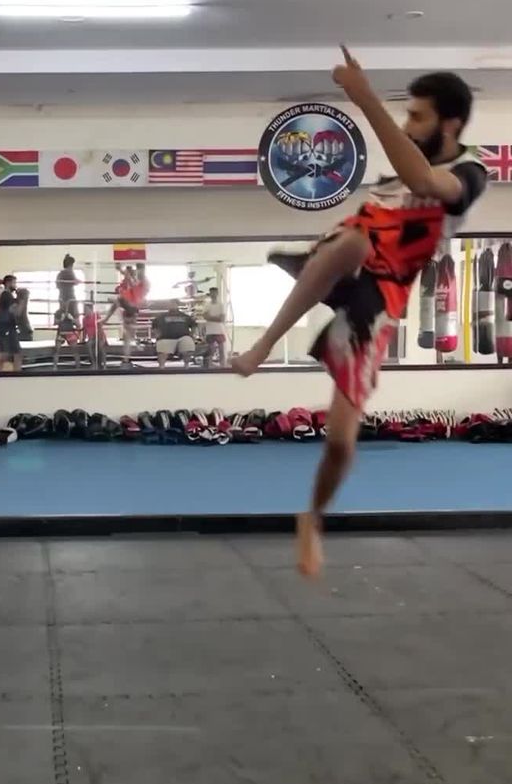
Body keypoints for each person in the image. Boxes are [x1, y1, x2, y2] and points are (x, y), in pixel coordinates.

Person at [231, 49, 488, 577]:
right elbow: (393, 195)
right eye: (406, 115)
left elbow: (427, 183)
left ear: (451, 123)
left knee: (341, 444)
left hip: (381, 298)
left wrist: (363, 96)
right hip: (349, 251)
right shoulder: (400, 168)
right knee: (353, 241)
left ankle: (312, 517)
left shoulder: (470, 170)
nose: (408, 125)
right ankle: (266, 340)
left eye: (418, 116)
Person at [153, 300, 197, 367]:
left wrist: (192, 335)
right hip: (166, 338)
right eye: (171, 304)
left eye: (174, 304)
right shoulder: (161, 317)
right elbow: (154, 326)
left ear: (177, 305)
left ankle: (186, 366)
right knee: (161, 350)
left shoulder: (185, 316)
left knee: (188, 345)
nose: (172, 305)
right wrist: (157, 334)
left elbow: (194, 325)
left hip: (183, 337)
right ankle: (161, 367)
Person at [0, 274, 22, 372]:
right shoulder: (6, 295)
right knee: (6, 354)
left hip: (8, 327)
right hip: (6, 328)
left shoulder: (8, 295)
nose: (15, 285)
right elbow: (15, 311)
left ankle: (16, 374)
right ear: (8, 283)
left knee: (15, 353)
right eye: (14, 283)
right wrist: (22, 300)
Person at [202, 286, 228, 367]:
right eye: (211, 293)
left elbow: (222, 319)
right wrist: (216, 318)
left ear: (217, 293)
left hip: (219, 330)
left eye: (214, 292)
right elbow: (205, 316)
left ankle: (222, 364)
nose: (213, 294)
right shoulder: (207, 305)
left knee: (221, 349)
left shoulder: (221, 305)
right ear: (210, 294)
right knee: (210, 349)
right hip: (210, 330)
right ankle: (209, 364)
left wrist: (211, 317)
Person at [82, 301, 108, 368]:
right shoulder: (84, 319)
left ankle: (104, 364)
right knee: (89, 345)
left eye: (86, 309)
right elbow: (84, 330)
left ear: (90, 309)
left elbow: (100, 326)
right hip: (91, 338)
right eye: (84, 309)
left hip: (99, 335)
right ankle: (93, 363)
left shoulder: (96, 315)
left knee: (101, 346)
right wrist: (83, 338)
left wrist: (99, 336)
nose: (85, 311)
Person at [55, 254, 80, 321]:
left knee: (63, 314)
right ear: (71, 265)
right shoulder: (69, 272)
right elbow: (76, 282)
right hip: (69, 296)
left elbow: (57, 285)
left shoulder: (60, 274)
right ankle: (77, 324)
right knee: (74, 314)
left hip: (62, 296)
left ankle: (65, 322)